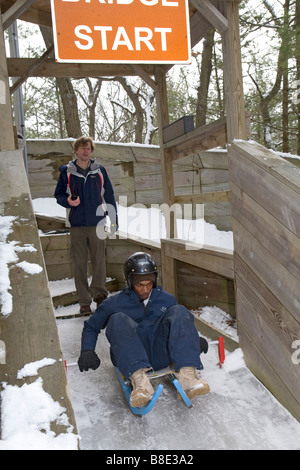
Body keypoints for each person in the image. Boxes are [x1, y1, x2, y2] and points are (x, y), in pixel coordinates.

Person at [78, 252, 210, 408]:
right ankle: (141, 384)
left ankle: (188, 378)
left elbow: (179, 322)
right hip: (130, 356)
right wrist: (87, 350)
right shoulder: (114, 303)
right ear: (130, 282)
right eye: (140, 285)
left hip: (161, 353)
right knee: (117, 319)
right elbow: (91, 327)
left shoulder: (166, 299)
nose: (145, 289)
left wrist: (191, 340)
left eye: (149, 284)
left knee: (179, 310)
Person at [54, 136, 118, 315]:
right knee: (79, 264)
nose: (85, 151)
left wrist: (113, 219)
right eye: (82, 148)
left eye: (88, 148)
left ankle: (100, 295)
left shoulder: (100, 171)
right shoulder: (67, 172)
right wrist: (67, 201)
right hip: (77, 225)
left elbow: (109, 196)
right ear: (75, 151)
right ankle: (84, 301)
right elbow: (58, 195)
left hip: (98, 223)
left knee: (100, 262)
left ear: (91, 150)